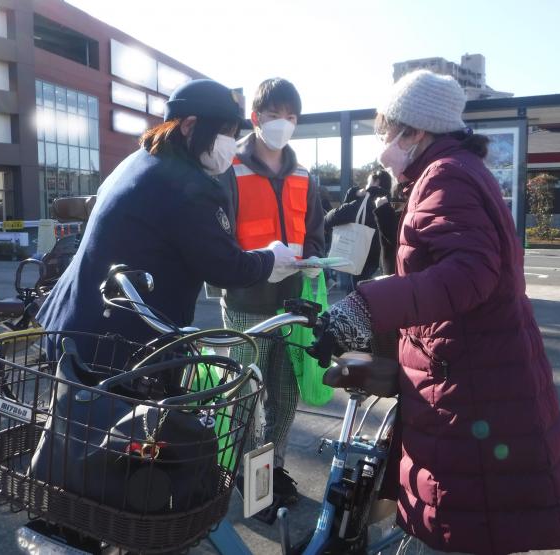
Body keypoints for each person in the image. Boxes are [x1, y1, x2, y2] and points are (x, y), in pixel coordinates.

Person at [312, 70, 560, 554]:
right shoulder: (451, 171)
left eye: (387, 130)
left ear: (414, 131)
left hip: (469, 389)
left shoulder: (446, 175)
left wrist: (363, 308)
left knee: (463, 528)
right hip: (477, 378)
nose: (384, 143)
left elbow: (467, 274)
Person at [37, 79, 298, 352]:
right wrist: (271, 258)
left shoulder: (139, 161)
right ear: (189, 126)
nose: (230, 144)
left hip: (71, 327)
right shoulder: (185, 183)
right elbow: (224, 266)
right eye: (224, 133)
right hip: (116, 349)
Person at [218, 78, 325, 507]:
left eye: (291, 116)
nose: (283, 123)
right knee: (245, 394)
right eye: (275, 114)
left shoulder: (303, 175)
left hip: (295, 302)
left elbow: (314, 231)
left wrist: (315, 256)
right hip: (247, 302)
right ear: (255, 118)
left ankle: (273, 470)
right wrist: (256, 260)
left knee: (285, 392)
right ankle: (243, 477)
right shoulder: (230, 170)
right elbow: (218, 235)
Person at [324, 169, 392, 290]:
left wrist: (352, 193)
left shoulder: (364, 204)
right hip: (380, 262)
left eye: (368, 182)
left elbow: (332, 218)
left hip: (358, 259)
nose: (365, 186)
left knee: (354, 295)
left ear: (376, 182)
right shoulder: (392, 203)